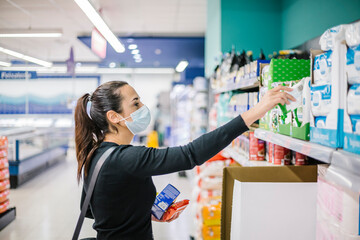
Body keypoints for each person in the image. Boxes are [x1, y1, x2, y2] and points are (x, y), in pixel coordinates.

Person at [74, 81, 295, 240]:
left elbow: (94, 210)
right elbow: (191, 154)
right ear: (114, 117)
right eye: (136, 103)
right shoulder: (128, 158)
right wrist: (256, 111)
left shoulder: (95, 154)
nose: (143, 108)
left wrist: (142, 211)